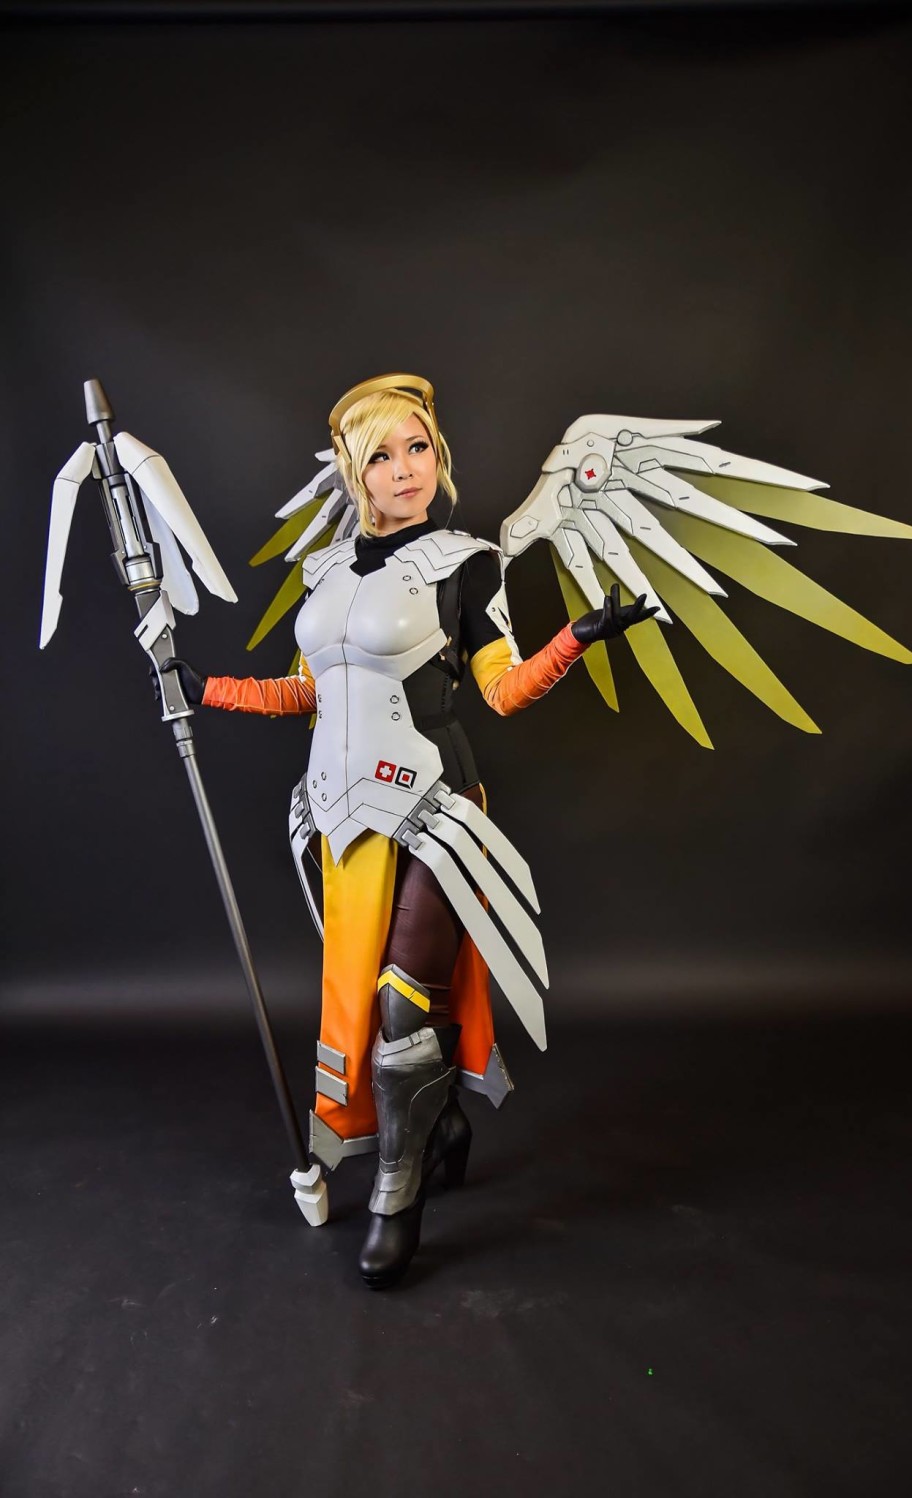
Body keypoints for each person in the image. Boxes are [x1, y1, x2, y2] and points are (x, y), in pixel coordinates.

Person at [163, 374, 658, 1288]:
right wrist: (208, 690)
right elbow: (308, 692)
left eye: (419, 447)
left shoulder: (469, 563)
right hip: (340, 816)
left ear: (438, 453)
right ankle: (445, 1122)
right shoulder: (324, 572)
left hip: (436, 806)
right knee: (372, 993)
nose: (406, 470)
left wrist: (578, 636)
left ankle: (398, 1196)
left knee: (401, 1001)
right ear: (355, 472)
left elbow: (501, 690)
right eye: (383, 456)